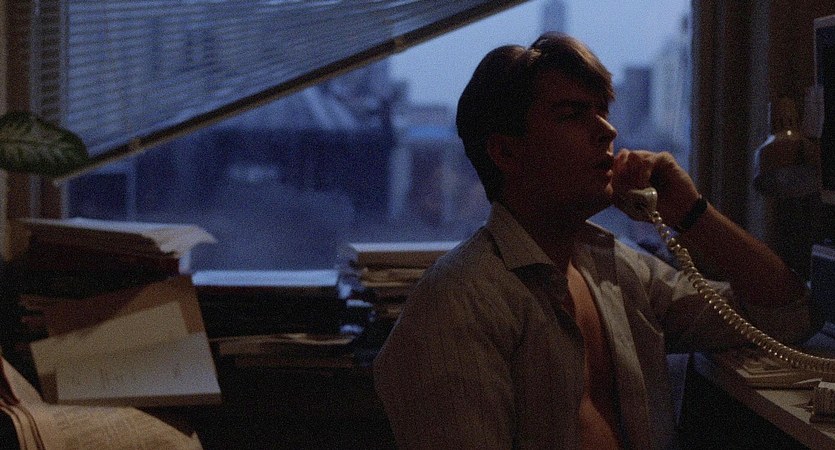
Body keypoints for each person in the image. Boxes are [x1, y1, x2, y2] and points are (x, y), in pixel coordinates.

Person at [372, 32, 816, 449]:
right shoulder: (457, 302)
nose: (607, 130)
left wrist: (691, 213)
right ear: (505, 152)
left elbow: (787, 315)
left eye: (602, 111)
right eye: (571, 114)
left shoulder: (615, 268)